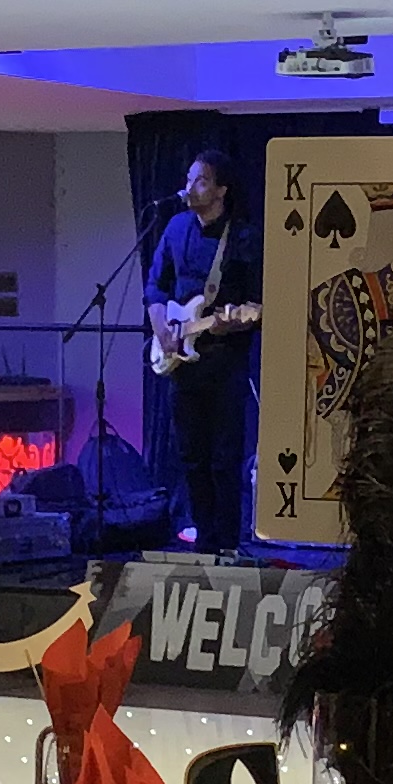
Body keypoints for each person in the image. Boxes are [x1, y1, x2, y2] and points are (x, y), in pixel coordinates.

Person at [146, 153, 264, 551]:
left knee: (224, 460)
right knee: (191, 457)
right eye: (189, 178)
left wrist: (238, 318)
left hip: (224, 363)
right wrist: (162, 330)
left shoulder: (244, 237)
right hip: (181, 365)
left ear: (220, 190)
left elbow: (258, 302)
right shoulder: (176, 228)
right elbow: (156, 288)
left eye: (200, 181)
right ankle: (204, 542)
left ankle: (229, 542)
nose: (189, 186)